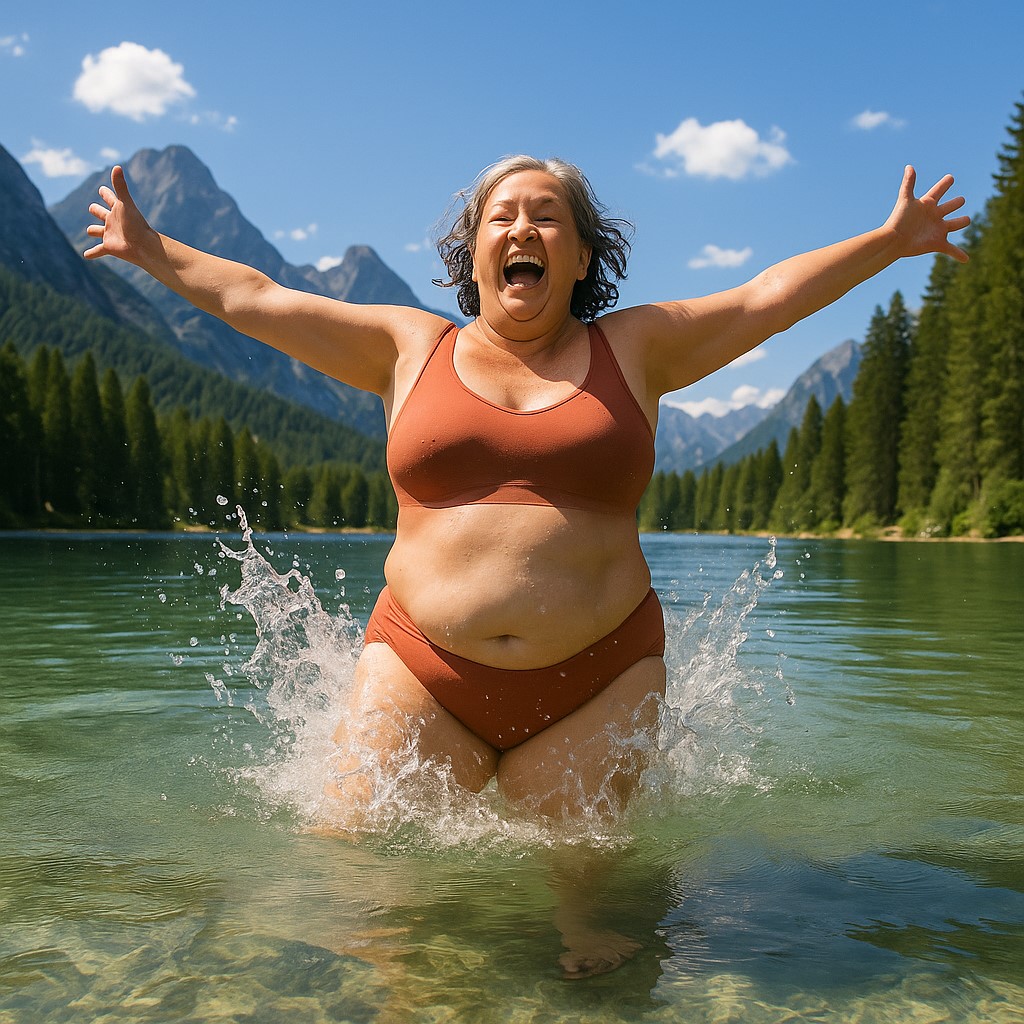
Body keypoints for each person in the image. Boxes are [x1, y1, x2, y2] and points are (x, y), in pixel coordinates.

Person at [86, 155, 968, 974]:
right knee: (356, 886)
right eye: (501, 216)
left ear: (582, 255)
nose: (523, 229)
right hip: (422, 669)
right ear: (471, 253)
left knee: (586, 895)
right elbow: (257, 295)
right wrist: (148, 246)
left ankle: (581, 918)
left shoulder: (637, 348)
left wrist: (889, 243)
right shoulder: (408, 346)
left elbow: (763, 296)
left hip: (599, 678)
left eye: (548, 218)